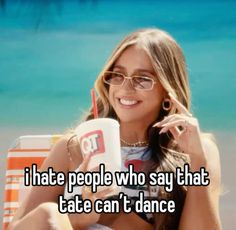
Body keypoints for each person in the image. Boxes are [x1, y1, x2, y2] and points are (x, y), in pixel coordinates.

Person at [8, 28, 221, 230]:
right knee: (47, 213)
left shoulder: (196, 151)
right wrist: (78, 219)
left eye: (142, 79)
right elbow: (20, 227)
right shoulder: (72, 148)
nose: (125, 87)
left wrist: (198, 160)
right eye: (117, 75)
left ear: (168, 91)